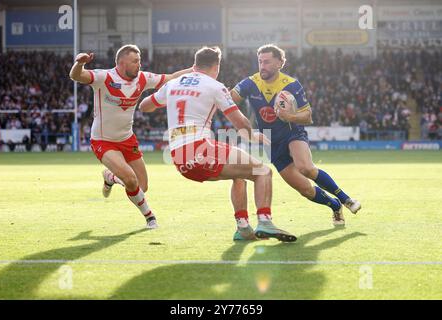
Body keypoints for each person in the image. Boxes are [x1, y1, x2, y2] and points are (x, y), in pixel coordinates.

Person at [139, 46, 296, 242]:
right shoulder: (215, 86)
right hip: (200, 149)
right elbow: (240, 122)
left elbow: (145, 106)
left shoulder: (173, 84)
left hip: (179, 159)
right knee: (263, 171)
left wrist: (170, 99)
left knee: (240, 175)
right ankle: (265, 221)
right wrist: (253, 136)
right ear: (217, 66)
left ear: (194, 65)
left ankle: (243, 228)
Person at [230, 44, 361, 226]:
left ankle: (346, 199)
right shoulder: (250, 83)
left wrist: (289, 116)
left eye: (267, 62)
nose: (262, 66)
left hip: (292, 133)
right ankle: (334, 205)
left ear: (279, 63)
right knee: (305, 189)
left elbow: (307, 117)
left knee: (306, 167)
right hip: (270, 142)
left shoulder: (291, 84)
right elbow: (229, 100)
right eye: (260, 61)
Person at [69, 44, 193, 229]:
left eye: (140, 61)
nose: (139, 65)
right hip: (103, 141)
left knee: (141, 186)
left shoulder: (143, 78)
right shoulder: (105, 77)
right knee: (131, 180)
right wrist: (79, 63)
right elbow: (76, 76)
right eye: (135, 61)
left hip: (127, 139)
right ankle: (150, 218)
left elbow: (170, 78)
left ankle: (110, 177)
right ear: (121, 62)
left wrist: (195, 69)